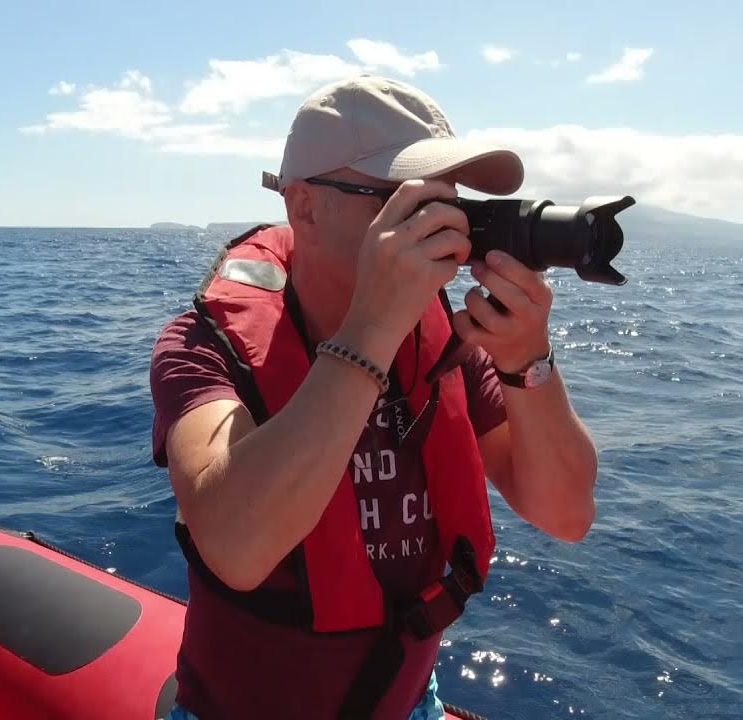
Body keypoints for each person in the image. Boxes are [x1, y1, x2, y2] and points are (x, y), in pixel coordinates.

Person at [150, 76, 599, 719]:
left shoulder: (446, 343)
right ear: (303, 206)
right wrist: (371, 334)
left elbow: (568, 515)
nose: (442, 229)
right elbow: (235, 547)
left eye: (449, 205)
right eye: (401, 203)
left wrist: (528, 360)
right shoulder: (203, 346)